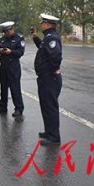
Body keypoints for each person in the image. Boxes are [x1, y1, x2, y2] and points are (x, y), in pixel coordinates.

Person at [32, 13, 63, 146]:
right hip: (45, 77)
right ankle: (49, 131)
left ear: (48, 24)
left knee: (50, 107)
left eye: (42, 23)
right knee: (46, 106)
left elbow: (56, 56)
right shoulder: (47, 38)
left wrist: (52, 70)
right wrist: (35, 38)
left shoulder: (52, 38)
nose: (41, 25)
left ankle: (54, 137)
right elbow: (43, 49)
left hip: (50, 78)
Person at [0, 21, 25, 118]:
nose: (7, 33)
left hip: (13, 67)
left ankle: (18, 109)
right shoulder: (3, 38)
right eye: (5, 32)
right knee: (3, 88)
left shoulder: (19, 38)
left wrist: (11, 52)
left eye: (8, 31)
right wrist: (1, 50)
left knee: (15, 88)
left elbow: (20, 52)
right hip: (3, 66)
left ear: (12, 29)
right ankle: (3, 107)